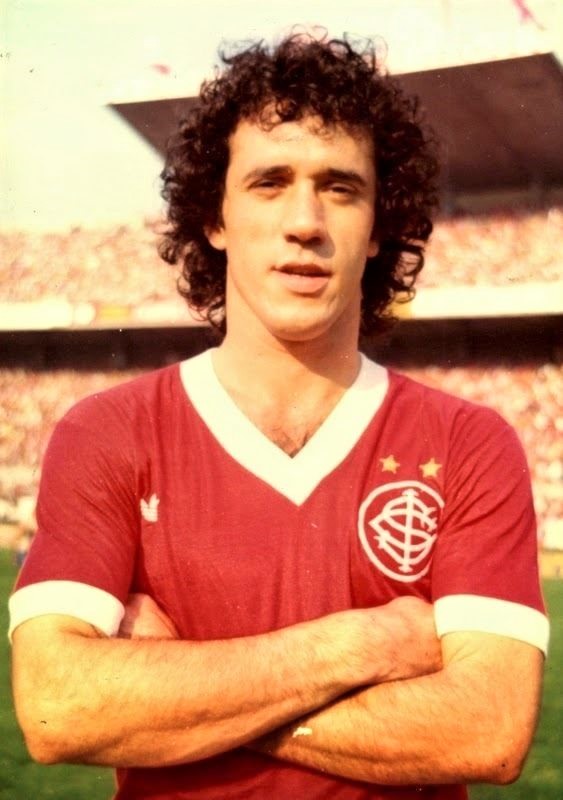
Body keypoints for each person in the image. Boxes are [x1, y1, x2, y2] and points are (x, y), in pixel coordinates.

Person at [9, 33, 548, 800]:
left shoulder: (467, 444)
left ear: (378, 224)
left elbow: (486, 731)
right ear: (215, 217)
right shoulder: (107, 432)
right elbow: (58, 709)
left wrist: (177, 682)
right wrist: (355, 645)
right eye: (269, 182)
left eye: (340, 187)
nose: (304, 220)